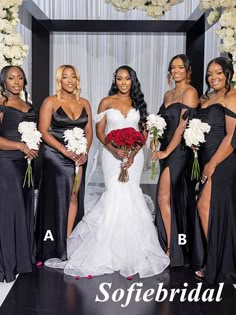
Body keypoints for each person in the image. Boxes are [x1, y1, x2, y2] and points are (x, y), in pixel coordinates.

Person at [45, 65, 170, 278]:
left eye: (127, 79)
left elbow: (142, 133)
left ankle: (133, 252)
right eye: (119, 78)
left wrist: (132, 153)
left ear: (133, 81)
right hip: (111, 156)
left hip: (135, 156)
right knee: (115, 195)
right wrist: (115, 150)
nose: (123, 82)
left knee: (131, 195)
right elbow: (100, 132)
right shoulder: (106, 101)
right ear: (115, 80)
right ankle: (105, 251)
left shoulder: (138, 103)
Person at [35, 65, 93, 261]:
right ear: (59, 80)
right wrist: (64, 151)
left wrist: (84, 151)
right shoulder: (50, 101)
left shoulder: (84, 103)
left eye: (73, 77)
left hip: (78, 156)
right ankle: (54, 243)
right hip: (56, 155)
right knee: (58, 198)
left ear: (78, 80)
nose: (70, 81)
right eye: (65, 77)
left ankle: (67, 240)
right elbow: (43, 131)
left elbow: (89, 131)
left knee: (74, 197)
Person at [152, 54, 198, 267]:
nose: (176, 71)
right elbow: (162, 122)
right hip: (166, 147)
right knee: (170, 198)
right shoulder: (168, 93)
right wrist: (154, 140)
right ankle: (171, 245)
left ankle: (173, 250)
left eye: (180, 67)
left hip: (179, 151)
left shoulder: (190, 92)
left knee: (163, 197)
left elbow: (182, 127)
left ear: (188, 70)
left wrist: (166, 153)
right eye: (173, 67)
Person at [195, 57, 236, 284]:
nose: (213, 77)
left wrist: (212, 164)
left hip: (224, 159)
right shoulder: (207, 98)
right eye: (210, 74)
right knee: (215, 210)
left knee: (204, 206)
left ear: (228, 73)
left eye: (218, 72)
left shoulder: (232, 96)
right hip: (206, 157)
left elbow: (231, 136)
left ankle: (217, 262)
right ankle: (218, 259)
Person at [0, 65, 37, 282]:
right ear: (4, 81)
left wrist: (32, 147)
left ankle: (22, 261)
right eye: (11, 78)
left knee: (23, 210)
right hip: (6, 163)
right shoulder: (2, 105)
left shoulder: (28, 105)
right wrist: (20, 147)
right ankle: (7, 264)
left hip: (26, 165)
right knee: (8, 213)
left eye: (20, 78)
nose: (16, 82)